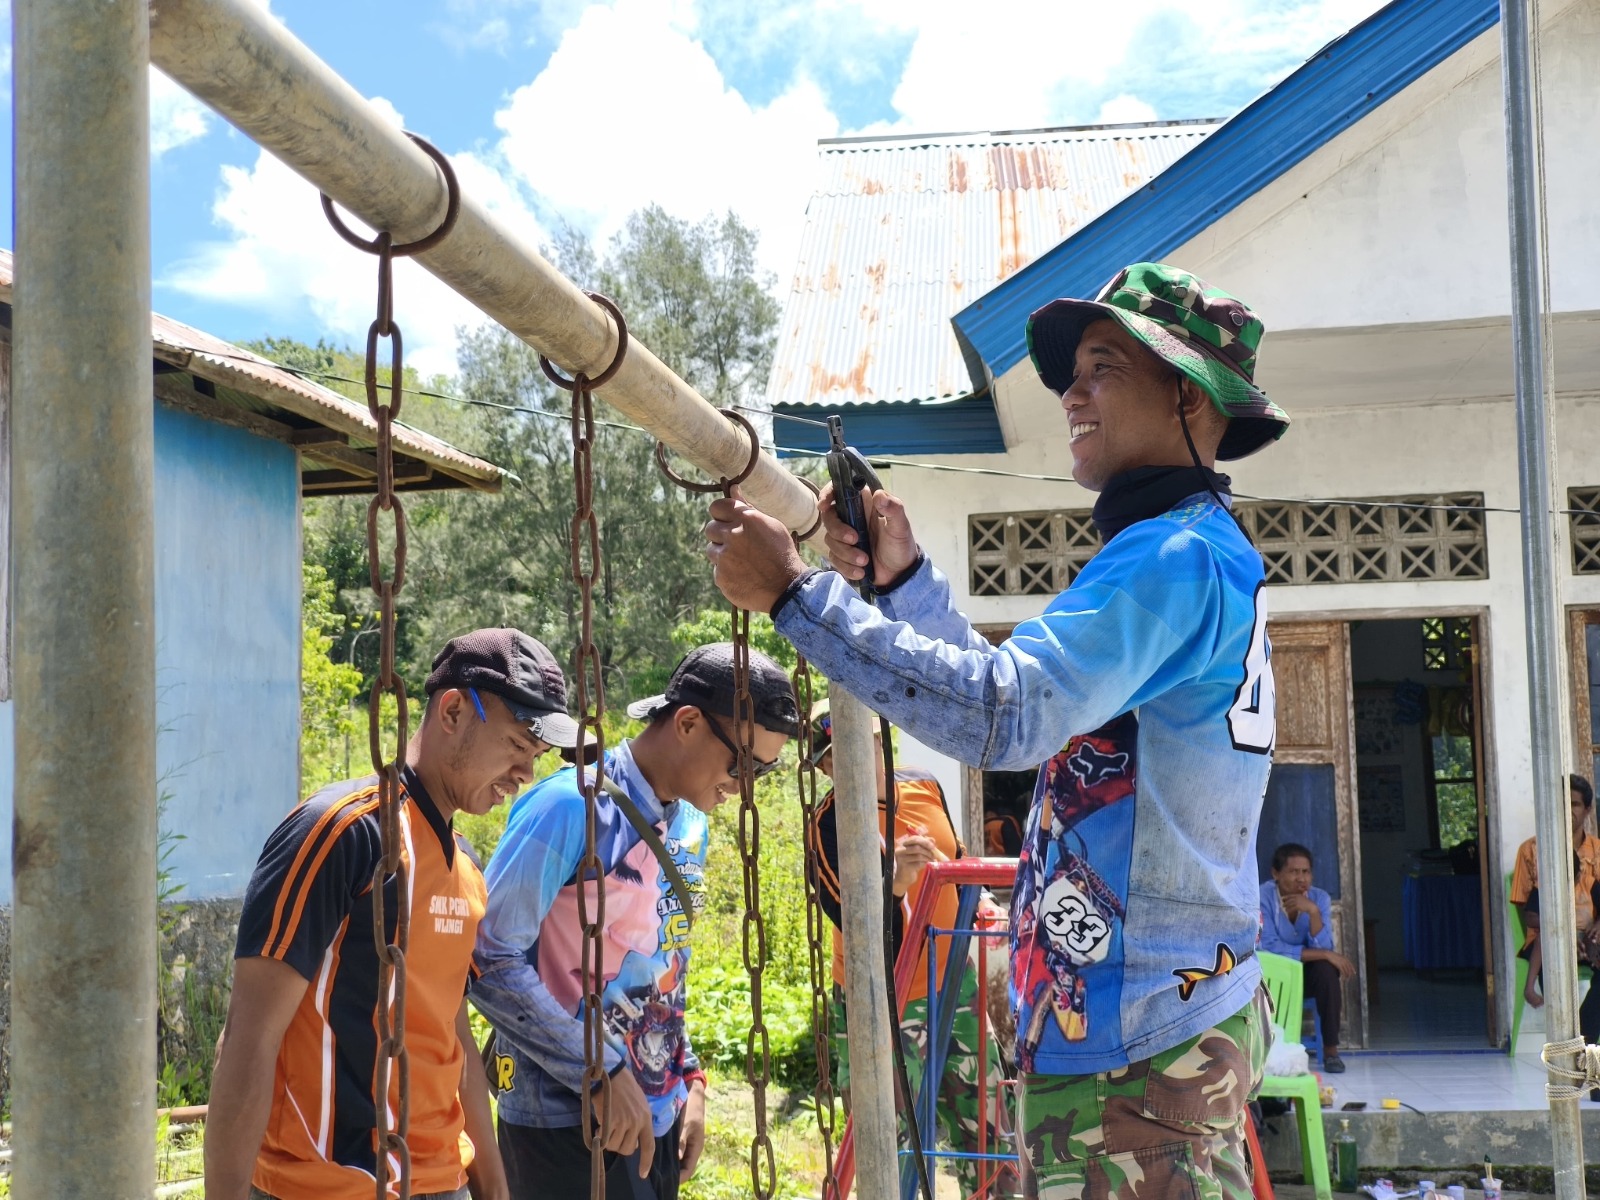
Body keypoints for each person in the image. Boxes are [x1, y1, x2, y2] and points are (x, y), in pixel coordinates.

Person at [704, 262, 1290, 1198]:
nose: (1072, 393)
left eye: (1103, 368)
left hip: (1138, 1052)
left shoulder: (1172, 556)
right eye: (1074, 373)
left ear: (1189, 392)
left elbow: (1004, 715)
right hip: (1139, 1030)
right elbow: (1042, 712)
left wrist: (796, 598)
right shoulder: (1185, 549)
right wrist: (905, 589)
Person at [205, 627, 581, 1200]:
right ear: (453, 710)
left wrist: (494, 1190)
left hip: (441, 1182)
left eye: (536, 756)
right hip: (328, 1186)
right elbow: (249, 1037)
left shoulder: (466, 869)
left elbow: (451, 1042)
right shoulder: (340, 835)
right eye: (515, 745)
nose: (525, 774)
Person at [470, 643, 799, 1200]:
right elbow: (487, 957)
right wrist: (595, 1069)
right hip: (562, 1128)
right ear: (688, 723)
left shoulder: (691, 823)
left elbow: (666, 960)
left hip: (655, 1119)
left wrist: (689, 1077)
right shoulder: (569, 807)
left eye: (763, 772)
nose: (744, 786)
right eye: (743, 765)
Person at [806, 700, 1014, 1198]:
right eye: (836, 756)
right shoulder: (829, 826)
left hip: (953, 979)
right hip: (882, 1000)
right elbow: (859, 934)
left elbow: (959, 862)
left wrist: (980, 901)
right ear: (827, 767)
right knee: (891, 1143)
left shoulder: (923, 784)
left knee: (989, 1128)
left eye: (868, 743)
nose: (859, 758)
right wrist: (895, 880)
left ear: (880, 739)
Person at [1510, 774, 1600, 1045]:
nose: (1567, 810)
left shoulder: (1598, 851)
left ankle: (1582, 1037)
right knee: (1555, 963)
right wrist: (1557, 933)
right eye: (1561, 803)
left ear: (1587, 809)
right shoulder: (1530, 850)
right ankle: (1578, 1044)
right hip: (1547, 938)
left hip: (1593, 937)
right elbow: (1523, 907)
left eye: (1574, 804)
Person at [1258, 843, 1356, 1072]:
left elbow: (1324, 945)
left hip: (1305, 976)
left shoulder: (1318, 898)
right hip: (1271, 978)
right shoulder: (1262, 896)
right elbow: (1270, 947)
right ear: (1276, 873)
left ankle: (1331, 1051)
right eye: (1293, 872)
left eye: (1306, 872)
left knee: (1326, 971)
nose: (1301, 878)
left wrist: (1311, 911)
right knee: (1324, 959)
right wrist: (1324, 954)